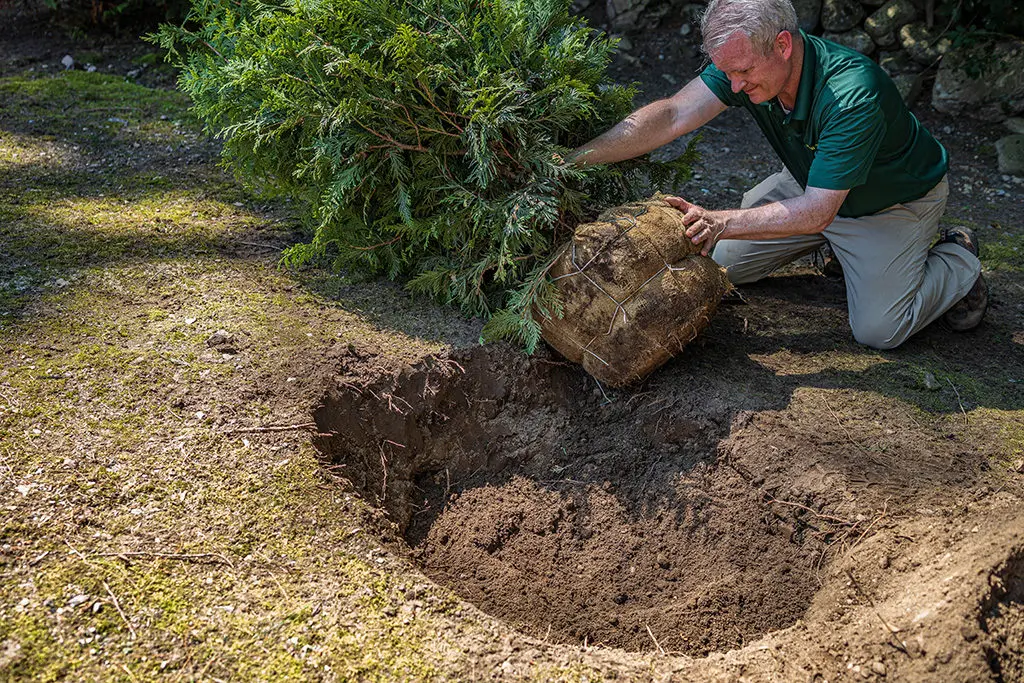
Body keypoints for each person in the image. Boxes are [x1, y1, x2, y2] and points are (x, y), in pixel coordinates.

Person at [572, 0, 987, 349]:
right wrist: (576, 157)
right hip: (816, 184)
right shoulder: (747, 59)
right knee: (720, 264)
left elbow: (818, 211)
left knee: (880, 330)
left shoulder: (851, 96)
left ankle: (958, 260)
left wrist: (721, 221)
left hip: (888, 203)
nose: (733, 87)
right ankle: (841, 253)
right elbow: (674, 113)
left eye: (743, 73)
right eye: (726, 73)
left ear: (783, 45)